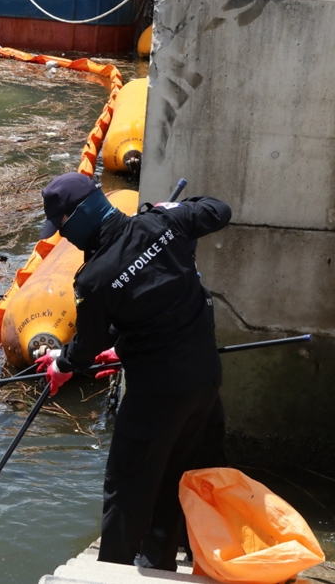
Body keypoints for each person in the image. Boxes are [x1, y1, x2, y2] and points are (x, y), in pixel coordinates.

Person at [34, 172, 231, 572]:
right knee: (178, 475)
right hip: (204, 382)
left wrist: (61, 365)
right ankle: (159, 560)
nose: (64, 238)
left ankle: (113, 572)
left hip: (155, 396)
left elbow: (84, 349)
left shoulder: (93, 279)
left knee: (126, 490)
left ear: (77, 220)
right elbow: (219, 211)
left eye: (62, 229)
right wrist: (170, 210)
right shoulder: (164, 224)